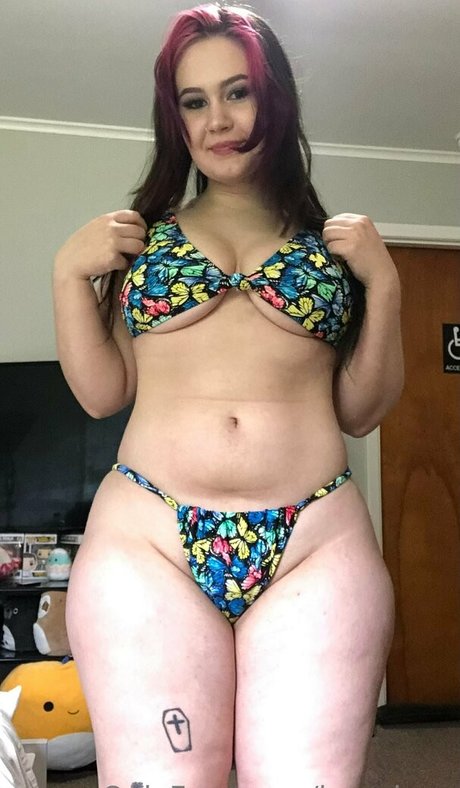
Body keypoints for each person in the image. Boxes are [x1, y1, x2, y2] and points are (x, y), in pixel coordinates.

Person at [53, 4, 404, 787]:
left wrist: (385, 284)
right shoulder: (143, 239)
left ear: (274, 96)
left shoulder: (333, 249)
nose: (218, 119)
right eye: (194, 100)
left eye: (237, 92)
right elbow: (103, 393)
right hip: (150, 540)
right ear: (174, 117)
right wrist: (68, 274)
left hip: (314, 543)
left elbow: (362, 410)